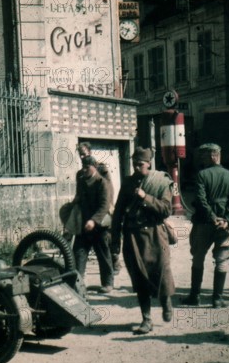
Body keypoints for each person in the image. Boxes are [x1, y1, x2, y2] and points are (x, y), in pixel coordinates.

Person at [111, 147, 175, 334]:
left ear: (149, 163)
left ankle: (166, 302)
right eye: (134, 164)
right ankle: (146, 319)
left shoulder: (161, 182)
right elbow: (118, 213)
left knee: (162, 273)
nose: (137, 167)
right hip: (133, 236)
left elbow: (166, 210)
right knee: (139, 278)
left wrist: (145, 197)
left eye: (140, 164)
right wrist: (115, 239)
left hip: (155, 235)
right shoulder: (128, 183)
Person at [182, 143, 229, 308]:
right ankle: (217, 298)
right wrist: (227, 220)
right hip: (225, 226)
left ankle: (195, 297)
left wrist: (213, 217)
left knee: (198, 257)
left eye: (204, 155)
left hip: (204, 223)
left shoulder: (202, 175)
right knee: (222, 259)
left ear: (213, 156)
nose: (201, 159)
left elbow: (201, 199)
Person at [72, 155, 115, 293]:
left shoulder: (102, 183)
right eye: (83, 167)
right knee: (78, 253)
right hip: (84, 225)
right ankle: (77, 283)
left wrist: (94, 220)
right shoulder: (82, 180)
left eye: (87, 167)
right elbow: (79, 198)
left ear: (94, 167)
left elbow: (104, 205)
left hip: (99, 226)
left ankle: (108, 283)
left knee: (103, 254)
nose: (84, 170)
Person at [77, 142, 120, 274]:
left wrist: (108, 205)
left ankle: (114, 260)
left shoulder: (101, 169)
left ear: (90, 152)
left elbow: (109, 188)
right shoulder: (80, 173)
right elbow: (79, 191)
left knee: (106, 238)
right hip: (88, 209)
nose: (83, 157)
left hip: (103, 205)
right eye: (80, 155)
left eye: (84, 154)